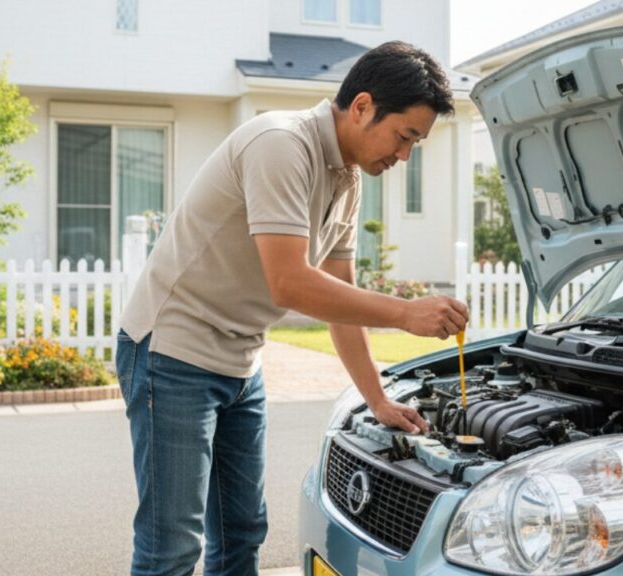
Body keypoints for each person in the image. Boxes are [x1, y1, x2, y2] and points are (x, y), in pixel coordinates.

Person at [115, 40, 469, 576]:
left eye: (415, 144)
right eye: (404, 137)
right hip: (173, 355)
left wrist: (377, 400)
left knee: (242, 536)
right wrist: (405, 313)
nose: (404, 157)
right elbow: (289, 283)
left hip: (240, 365)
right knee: (173, 547)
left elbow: (339, 298)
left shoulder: (347, 180)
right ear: (362, 106)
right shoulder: (281, 144)